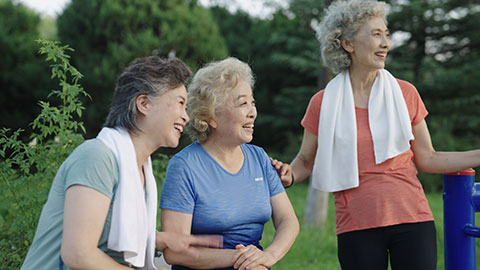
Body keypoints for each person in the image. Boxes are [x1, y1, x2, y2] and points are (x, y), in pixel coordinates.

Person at [272, 0, 480, 270]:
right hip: (356, 226)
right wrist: (288, 174)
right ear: (348, 43)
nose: (386, 43)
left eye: (387, 34)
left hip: (413, 220)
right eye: (376, 34)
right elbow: (305, 161)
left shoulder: (406, 93)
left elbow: (428, 158)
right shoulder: (322, 102)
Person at [21, 56, 222, 270]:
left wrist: (159, 239)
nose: (186, 117)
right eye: (180, 104)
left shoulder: (140, 170)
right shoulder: (97, 158)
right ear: (144, 104)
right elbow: (78, 254)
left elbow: (112, 232)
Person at [159, 57, 299, 270]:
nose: (253, 112)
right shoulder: (184, 166)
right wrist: (242, 259)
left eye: (253, 103)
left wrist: (268, 256)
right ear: (211, 117)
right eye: (243, 103)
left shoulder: (259, 158)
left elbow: (288, 221)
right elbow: (175, 252)